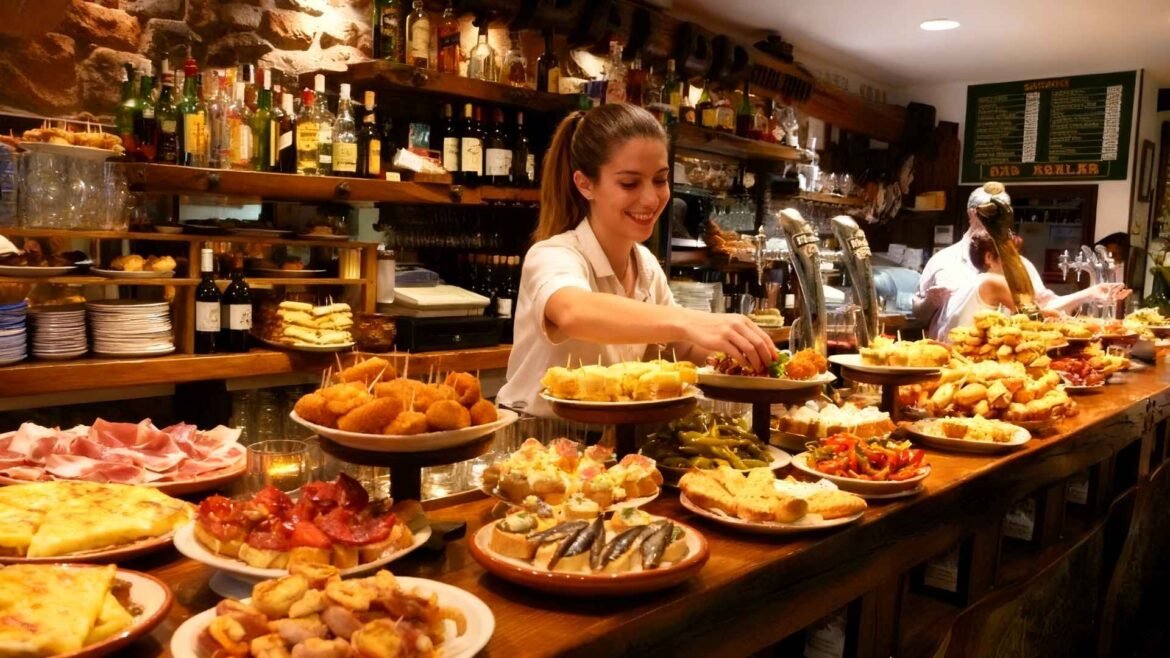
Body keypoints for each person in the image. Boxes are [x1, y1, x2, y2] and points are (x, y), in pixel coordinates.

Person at [496, 104, 775, 416]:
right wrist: (689, 321)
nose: (651, 199)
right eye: (629, 183)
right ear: (585, 184)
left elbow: (682, 349)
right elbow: (574, 312)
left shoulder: (645, 265)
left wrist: (746, 353)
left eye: (660, 180)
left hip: (613, 444)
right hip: (535, 443)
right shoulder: (553, 254)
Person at [914, 183, 1127, 339]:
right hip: (968, 361)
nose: (1015, 259)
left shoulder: (1013, 267)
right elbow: (1031, 313)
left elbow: (1041, 305)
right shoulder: (983, 278)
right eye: (1009, 253)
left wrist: (1090, 293)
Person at [936, 231, 1016, 340]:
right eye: (1011, 255)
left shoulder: (969, 282)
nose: (1017, 262)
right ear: (989, 257)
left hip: (953, 351)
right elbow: (1030, 314)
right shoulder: (994, 282)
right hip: (966, 353)